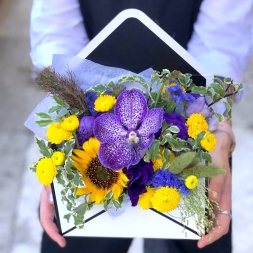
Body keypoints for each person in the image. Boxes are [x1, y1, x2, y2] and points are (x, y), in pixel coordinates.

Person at [30, 0, 253, 252]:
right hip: (92, 134)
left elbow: (222, 42)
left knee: (197, 235)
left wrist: (219, 132)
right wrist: (63, 135)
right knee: (81, 236)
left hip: (193, 126)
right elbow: (57, 30)